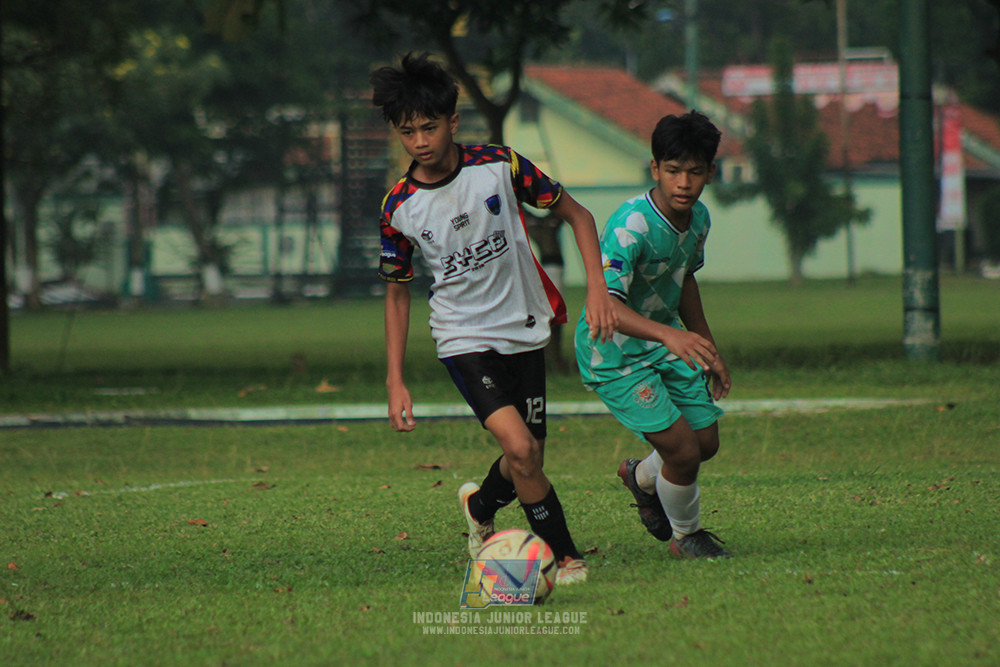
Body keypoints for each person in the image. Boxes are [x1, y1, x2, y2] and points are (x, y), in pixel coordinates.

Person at [371, 52, 618, 584]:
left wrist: (597, 290)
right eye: (407, 131)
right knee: (523, 449)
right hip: (462, 336)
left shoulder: (499, 165)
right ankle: (565, 557)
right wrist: (395, 379)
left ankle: (481, 509)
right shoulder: (399, 207)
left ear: (452, 122)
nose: (419, 142)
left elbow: (578, 214)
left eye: (429, 128)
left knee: (525, 460)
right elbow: (396, 294)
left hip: (524, 328)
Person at [574, 111, 733, 559]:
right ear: (655, 169)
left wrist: (706, 346)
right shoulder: (631, 226)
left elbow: (684, 280)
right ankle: (687, 538)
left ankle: (641, 477)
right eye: (673, 170)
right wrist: (671, 337)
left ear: (709, 173)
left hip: (662, 343)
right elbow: (605, 308)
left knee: (706, 443)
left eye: (695, 172)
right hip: (614, 353)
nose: (684, 182)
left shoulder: (698, 219)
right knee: (683, 452)